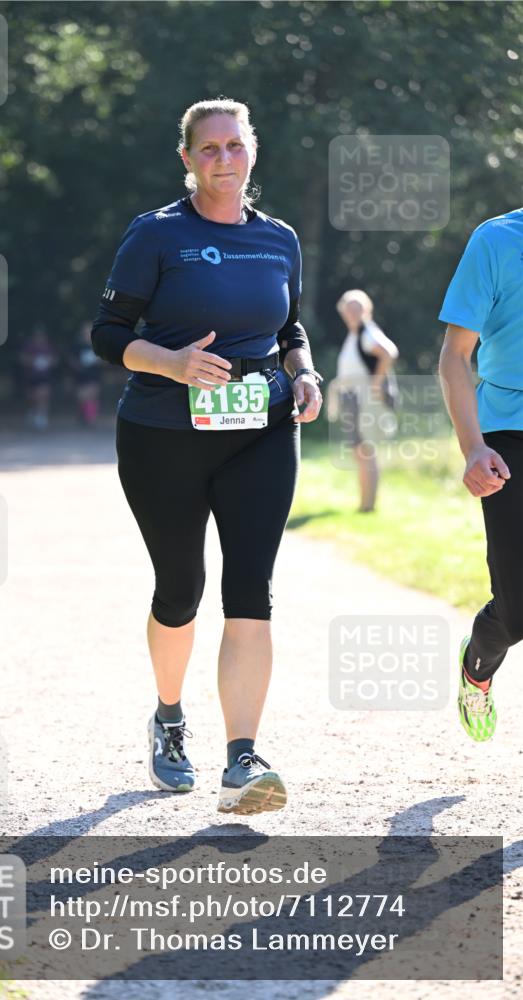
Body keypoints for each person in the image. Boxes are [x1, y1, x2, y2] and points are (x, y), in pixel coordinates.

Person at [91, 97, 323, 815]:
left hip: (260, 432)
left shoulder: (278, 239)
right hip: (163, 436)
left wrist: (305, 372)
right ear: (187, 159)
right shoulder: (156, 235)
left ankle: (242, 759)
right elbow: (107, 333)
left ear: (252, 152)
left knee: (250, 589)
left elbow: (289, 326)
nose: (223, 159)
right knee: (179, 589)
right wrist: (169, 363)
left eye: (234, 145)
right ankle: (167, 718)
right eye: (209, 148)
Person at [438, 207, 523, 742]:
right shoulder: (496, 241)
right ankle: (477, 665)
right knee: (516, 612)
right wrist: (473, 448)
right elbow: (454, 356)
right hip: (510, 430)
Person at [332, 290, 399, 512]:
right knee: (360, 452)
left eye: (357, 308)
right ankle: (364, 505)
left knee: (365, 451)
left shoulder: (366, 332)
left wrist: (376, 384)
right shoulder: (355, 335)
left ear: (367, 310)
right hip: (354, 398)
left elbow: (389, 353)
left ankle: (367, 507)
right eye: (348, 309)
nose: (352, 313)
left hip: (363, 400)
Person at [19, 325, 58, 430]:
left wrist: (49, 361)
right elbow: (23, 359)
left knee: (43, 395)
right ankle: (32, 411)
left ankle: (42, 416)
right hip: (31, 376)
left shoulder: (48, 347)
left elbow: (55, 360)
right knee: (32, 397)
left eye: (42, 336)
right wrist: (33, 360)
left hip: (44, 376)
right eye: (38, 335)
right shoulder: (29, 346)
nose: (40, 337)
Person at [69, 320, 103, 427]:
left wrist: (98, 360)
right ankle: (82, 416)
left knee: (92, 395)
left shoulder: (97, 344)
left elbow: (104, 359)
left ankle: (91, 419)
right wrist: (77, 366)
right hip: (81, 376)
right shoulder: (78, 345)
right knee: (81, 397)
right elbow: (71, 359)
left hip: (93, 375)